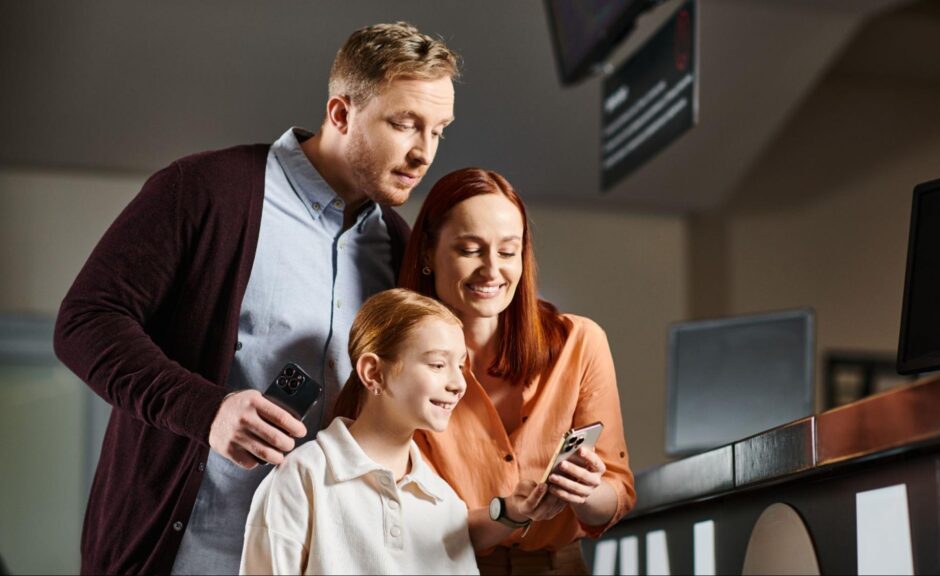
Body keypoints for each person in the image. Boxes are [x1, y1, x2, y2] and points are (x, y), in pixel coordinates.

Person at [52, 22, 459, 575]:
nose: (423, 153)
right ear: (341, 114)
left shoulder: (398, 248)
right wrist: (208, 411)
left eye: (439, 131)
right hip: (182, 555)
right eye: (404, 124)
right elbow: (85, 322)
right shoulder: (205, 190)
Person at [399, 168, 637, 575]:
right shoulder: (397, 362)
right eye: (470, 250)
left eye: (508, 252)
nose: (492, 270)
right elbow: (408, 522)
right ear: (426, 253)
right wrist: (508, 513)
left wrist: (586, 492)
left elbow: (616, 495)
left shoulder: (581, 342)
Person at [241, 288, 479, 575]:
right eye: (438, 365)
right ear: (373, 373)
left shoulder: (445, 502)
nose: (459, 384)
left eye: (461, 366)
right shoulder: (303, 476)